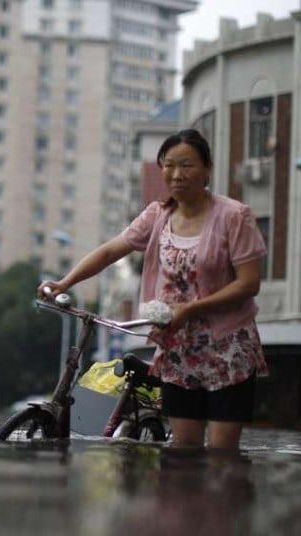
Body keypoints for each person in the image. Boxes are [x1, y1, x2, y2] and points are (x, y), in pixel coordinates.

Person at [40, 129, 267, 450]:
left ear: (207, 168)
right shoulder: (158, 215)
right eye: (168, 165)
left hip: (228, 349)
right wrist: (64, 282)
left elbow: (249, 283)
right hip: (178, 350)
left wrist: (189, 309)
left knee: (221, 454)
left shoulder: (234, 216)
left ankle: (223, 501)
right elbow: (109, 251)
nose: (176, 174)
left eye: (187, 165)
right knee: (183, 449)